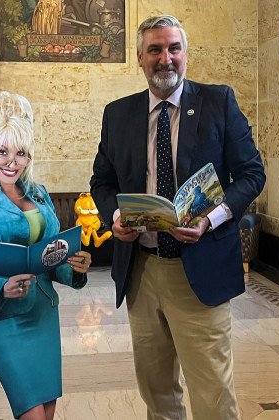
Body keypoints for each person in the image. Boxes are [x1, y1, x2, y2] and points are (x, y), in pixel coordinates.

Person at [90, 15, 265, 420]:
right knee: (156, 392)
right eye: (155, 49)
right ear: (139, 57)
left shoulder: (218, 101)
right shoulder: (118, 114)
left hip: (199, 271)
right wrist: (116, 216)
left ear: (185, 54)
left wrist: (212, 219)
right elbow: (102, 180)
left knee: (213, 395)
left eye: (173, 49)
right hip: (141, 271)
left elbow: (252, 173)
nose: (164, 58)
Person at [0, 91, 91, 420]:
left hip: (44, 315)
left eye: (20, 153)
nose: (12, 162)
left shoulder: (38, 193)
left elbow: (53, 260)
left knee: (48, 413)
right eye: (3, 151)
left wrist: (76, 267)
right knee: (33, 415)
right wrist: (0, 289)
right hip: (5, 321)